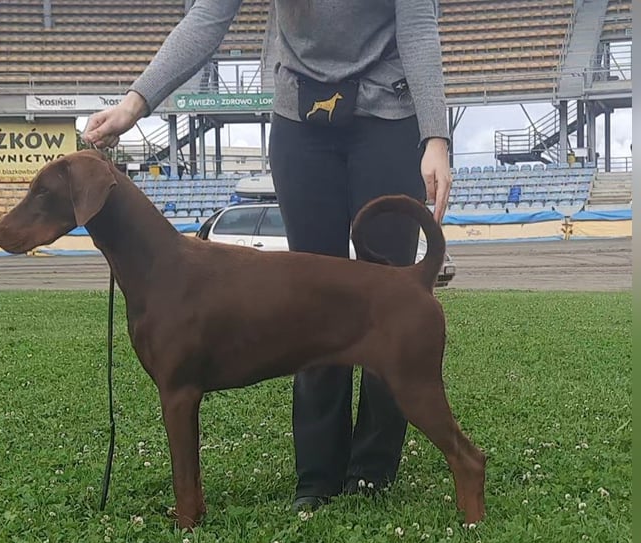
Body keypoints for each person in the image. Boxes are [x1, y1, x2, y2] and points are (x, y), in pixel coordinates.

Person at [83, 0, 452, 513]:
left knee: (388, 298)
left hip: (389, 115)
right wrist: (134, 103)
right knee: (311, 304)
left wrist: (435, 136)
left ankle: (372, 469)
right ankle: (318, 475)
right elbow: (207, 17)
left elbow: (417, 28)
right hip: (300, 117)